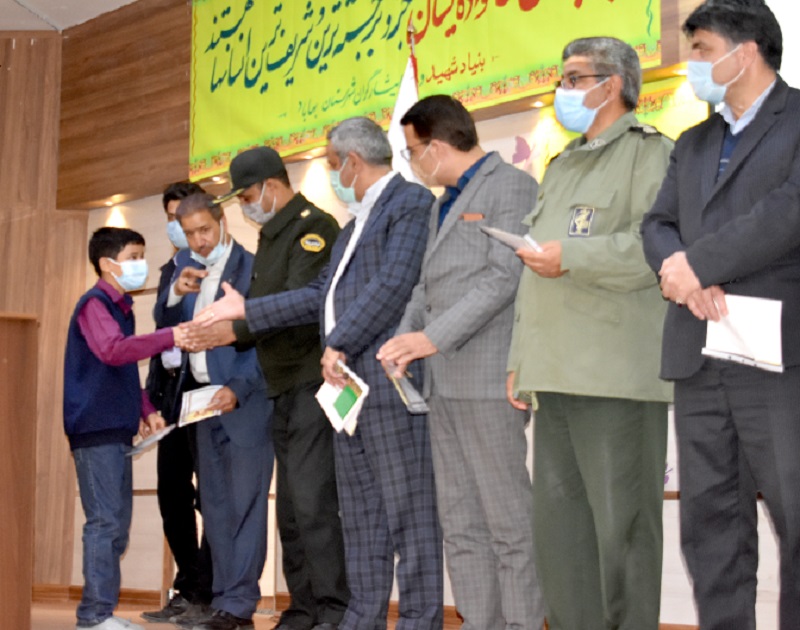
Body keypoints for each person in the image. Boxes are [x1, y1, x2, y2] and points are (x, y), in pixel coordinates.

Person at [190, 117, 443, 630]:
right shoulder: (351, 226)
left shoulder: (410, 203)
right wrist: (247, 313)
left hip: (384, 378)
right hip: (343, 384)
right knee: (361, 517)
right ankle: (356, 619)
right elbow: (316, 296)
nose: (331, 176)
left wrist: (338, 342)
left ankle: (413, 620)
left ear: (352, 161)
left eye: (330, 164)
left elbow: (393, 285)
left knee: (406, 516)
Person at [640, 1, 800, 628]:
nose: (694, 63)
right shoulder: (694, 140)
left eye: (702, 49)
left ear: (747, 49)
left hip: (778, 357)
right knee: (711, 527)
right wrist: (684, 276)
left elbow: (787, 211)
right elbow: (657, 224)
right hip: (699, 351)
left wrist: (699, 265)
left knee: (795, 518)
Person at [506, 37, 673, 630]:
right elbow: (534, 271)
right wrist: (520, 360)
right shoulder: (562, 164)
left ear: (613, 84)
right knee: (562, 537)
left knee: (623, 533)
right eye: (563, 78)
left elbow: (657, 250)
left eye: (575, 78)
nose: (564, 90)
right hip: (554, 374)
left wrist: (573, 256)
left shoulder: (651, 154)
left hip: (615, 376)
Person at [377, 95, 546, 630]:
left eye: (411, 151)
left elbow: (503, 278)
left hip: (488, 379)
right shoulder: (440, 204)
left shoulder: (511, 186)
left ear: (437, 146)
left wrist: (430, 338)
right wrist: (403, 341)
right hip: (442, 385)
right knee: (461, 523)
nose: (411, 162)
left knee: (508, 523)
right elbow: (424, 288)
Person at [191, 145, 348, 630]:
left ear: (271, 186)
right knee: (292, 511)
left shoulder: (312, 228)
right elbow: (262, 311)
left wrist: (235, 327)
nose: (245, 206)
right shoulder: (273, 235)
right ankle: (303, 608)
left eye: (247, 196)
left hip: (310, 381)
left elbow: (304, 303)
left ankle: (333, 610)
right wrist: (231, 329)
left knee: (314, 501)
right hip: (281, 386)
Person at [155, 193, 274, 630]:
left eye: (204, 229)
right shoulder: (187, 271)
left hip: (245, 402)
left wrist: (238, 388)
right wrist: (174, 293)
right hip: (201, 403)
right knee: (217, 508)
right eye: (190, 234)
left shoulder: (253, 267)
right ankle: (223, 601)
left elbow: (266, 336)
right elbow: (164, 324)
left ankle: (240, 603)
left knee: (245, 507)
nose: (199, 241)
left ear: (223, 221)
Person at [63, 227, 187, 630]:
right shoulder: (94, 304)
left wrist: (146, 410)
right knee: (105, 523)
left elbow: (124, 369)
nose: (140, 264)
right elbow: (113, 351)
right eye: (133, 257)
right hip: (95, 428)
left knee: (115, 527)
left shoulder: (121, 307)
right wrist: (169, 336)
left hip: (115, 428)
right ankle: (93, 615)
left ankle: (102, 610)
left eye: (141, 256)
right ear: (107, 264)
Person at [142, 181, 213, 624]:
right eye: (170, 217)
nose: (176, 224)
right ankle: (187, 586)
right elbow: (157, 333)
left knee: (212, 495)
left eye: (182, 216)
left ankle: (209, 590)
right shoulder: (169, 269)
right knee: (172, 493)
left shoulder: (215, 266)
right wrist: (150, 402)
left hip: (203, 391)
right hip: (169, 394)